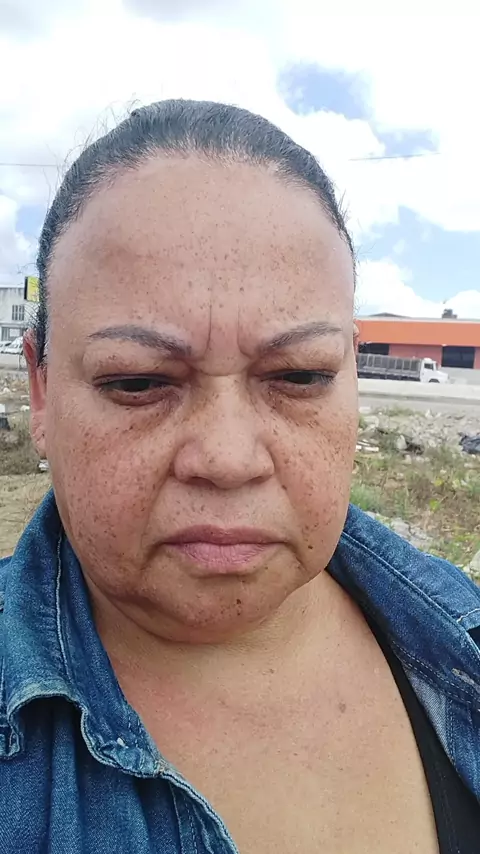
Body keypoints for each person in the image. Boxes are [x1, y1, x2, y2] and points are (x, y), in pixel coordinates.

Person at [0, 100, 479, 854]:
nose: (227, 460)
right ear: (41, 387)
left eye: (299, 375)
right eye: (137, 382)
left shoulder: (464, 639)